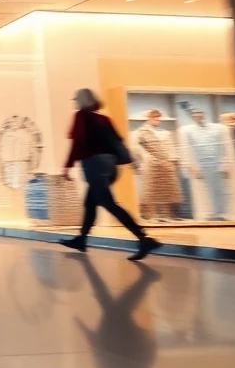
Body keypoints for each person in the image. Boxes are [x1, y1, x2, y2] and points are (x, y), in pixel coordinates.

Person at [60, 88, 161, 261]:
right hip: (111, 166)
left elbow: (77, 142)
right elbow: (118, 142)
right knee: (90, 202)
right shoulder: (104, 119)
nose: (75, 102)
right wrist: (130, 161)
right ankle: (81, 239)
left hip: (94, 164)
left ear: (81, 101)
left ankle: (144, 238)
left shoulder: (81, 116)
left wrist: (67, 166)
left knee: (108, 203)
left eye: (77, 99)